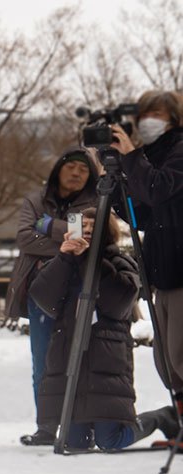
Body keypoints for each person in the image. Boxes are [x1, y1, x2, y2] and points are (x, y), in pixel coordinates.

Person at [29, 208, 177, 450]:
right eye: (81, 226)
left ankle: (160, 417)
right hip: (69, 353)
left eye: (92, 227)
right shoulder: (64, 262)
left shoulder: (120, 262)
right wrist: (65, 258)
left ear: (106, 232)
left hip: (106, 356)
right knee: (75, 443)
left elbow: (118, 303)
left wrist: (89, 259)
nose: (86, 232)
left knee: (111, 441)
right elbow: (44, 299)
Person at [5, 149, 98, 447]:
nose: (77, 173)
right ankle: (46, 427)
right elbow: (23, 238)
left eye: (83, 170)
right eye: (70, 167)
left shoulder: (95, 202)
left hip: (79, 291)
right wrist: (67, 240)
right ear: (58, 170)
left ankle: (80, 425)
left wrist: (47, 226)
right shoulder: (35, 199)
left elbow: (92, 241)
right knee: (43, 360)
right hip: (40, 291)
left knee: (81, 357)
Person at [112, 90, 183, 433]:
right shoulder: (150, 156)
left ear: (174, 117)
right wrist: (113, 183)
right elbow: (140, 214)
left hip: (181, 269)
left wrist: (130, 158)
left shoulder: (179, 149)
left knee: (181, 356)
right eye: (143, 114)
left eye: (155, 112)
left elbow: (158, 188)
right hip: (165, 270)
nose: (147, 120)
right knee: (167, 362)